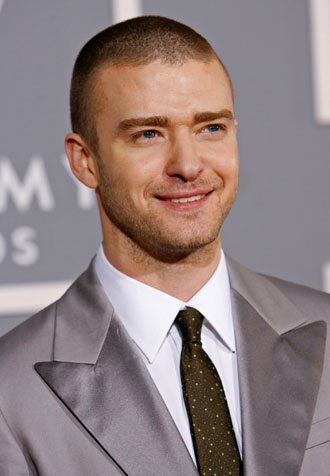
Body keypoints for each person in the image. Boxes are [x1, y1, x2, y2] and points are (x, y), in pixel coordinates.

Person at [0, 15, 329, 476]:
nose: (188, 165)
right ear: (85, 161)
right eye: (148, 134)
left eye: (210, 127)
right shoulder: (9, 397)